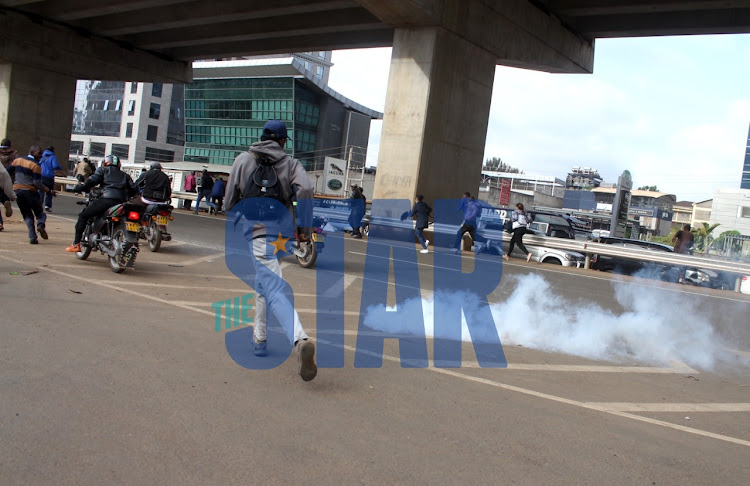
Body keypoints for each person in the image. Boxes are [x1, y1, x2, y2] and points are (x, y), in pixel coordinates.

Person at [225, 119, 317, 382]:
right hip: (281, 235)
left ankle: (299, 340)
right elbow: (306, 189)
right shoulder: (291, 164)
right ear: (283, 141)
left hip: (257, 234)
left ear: (262, 137)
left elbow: (230, 198)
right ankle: (260, 339)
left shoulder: (243, 160)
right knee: (265, 284)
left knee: (273, 288)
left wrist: (233, 214)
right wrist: (304, 228)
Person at [65, 154, 136, 253]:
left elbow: (92, 181)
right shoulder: (125, 175)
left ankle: (76, 244)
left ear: (105, 163)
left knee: (83, 215)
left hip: (107, 200)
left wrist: (82, 187)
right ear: (119, 165)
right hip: (121, 202)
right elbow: (134, 189)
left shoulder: (103, 170)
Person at [7, 146, 49, 244]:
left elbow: (7, 172)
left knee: (27, 215)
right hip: (31, 192)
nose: (40, 155)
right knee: (40, 214)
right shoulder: (36, 165)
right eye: (39, 153)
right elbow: (37, 182)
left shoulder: (17, 161)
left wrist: (12, 182)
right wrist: (48, 190)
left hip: (17, 191)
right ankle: (41, 225)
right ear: (32, 152)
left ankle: (32, 237)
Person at [38, 146, 64, 211]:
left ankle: (39, 205)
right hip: (49, 176)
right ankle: (47, 205)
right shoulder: (53, 157)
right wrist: (60, 167)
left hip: (41, 175)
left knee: (41, 191)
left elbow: (38, 163)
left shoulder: (42, 156)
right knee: (49, 192)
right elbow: (55, 166)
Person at [0, 138, 18, 222]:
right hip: (7, 175)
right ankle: (6, 200)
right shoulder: (14, 153)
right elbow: (17, 163)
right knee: (5, 191)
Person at [0, 162, 17, 231]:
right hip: (3, 172)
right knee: (1, 191)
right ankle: (5, 200)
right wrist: (12, 196)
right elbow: (7, 186)